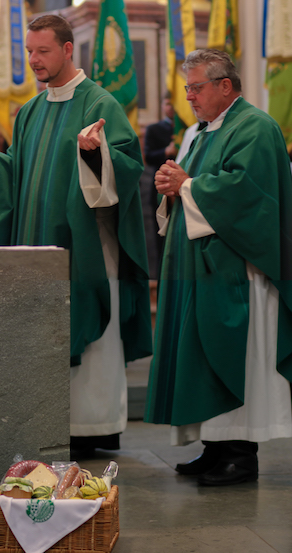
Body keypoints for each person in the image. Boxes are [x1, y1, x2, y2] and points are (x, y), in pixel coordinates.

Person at [0, 14, 152, 457]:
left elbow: (127, 168)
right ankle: (48, 423)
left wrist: (96, 155)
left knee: (88, 348)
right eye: (29, 52)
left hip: (85, 249)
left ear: (68, 50)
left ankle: (93, 429)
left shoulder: (99, 103)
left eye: (43, 51)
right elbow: (15, 173)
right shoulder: (29, 111)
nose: (34, 60)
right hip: (37, 249)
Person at [145, 49, 292, 486]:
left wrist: (186, 185)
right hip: (199, 269)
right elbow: (195, 186)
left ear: (225, 85)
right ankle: (215, 448)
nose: (188, 96)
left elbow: (249, 194)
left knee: (234, 358)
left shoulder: (256, 127)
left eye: (195, 87)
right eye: (187, 87)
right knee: (202, 358)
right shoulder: (201, 132)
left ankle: (240, 457)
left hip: (238, 274)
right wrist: (172, 187)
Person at [140, 94, 177, 276]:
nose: (171, 107)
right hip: (159, 187)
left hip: (180, 188)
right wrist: (166, 151)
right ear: (162, 105)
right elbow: (148, 156)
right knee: (159, 234)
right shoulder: (154, 129)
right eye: (167, 103)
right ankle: (161, 275)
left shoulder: (187, 128)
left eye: (173, 103)